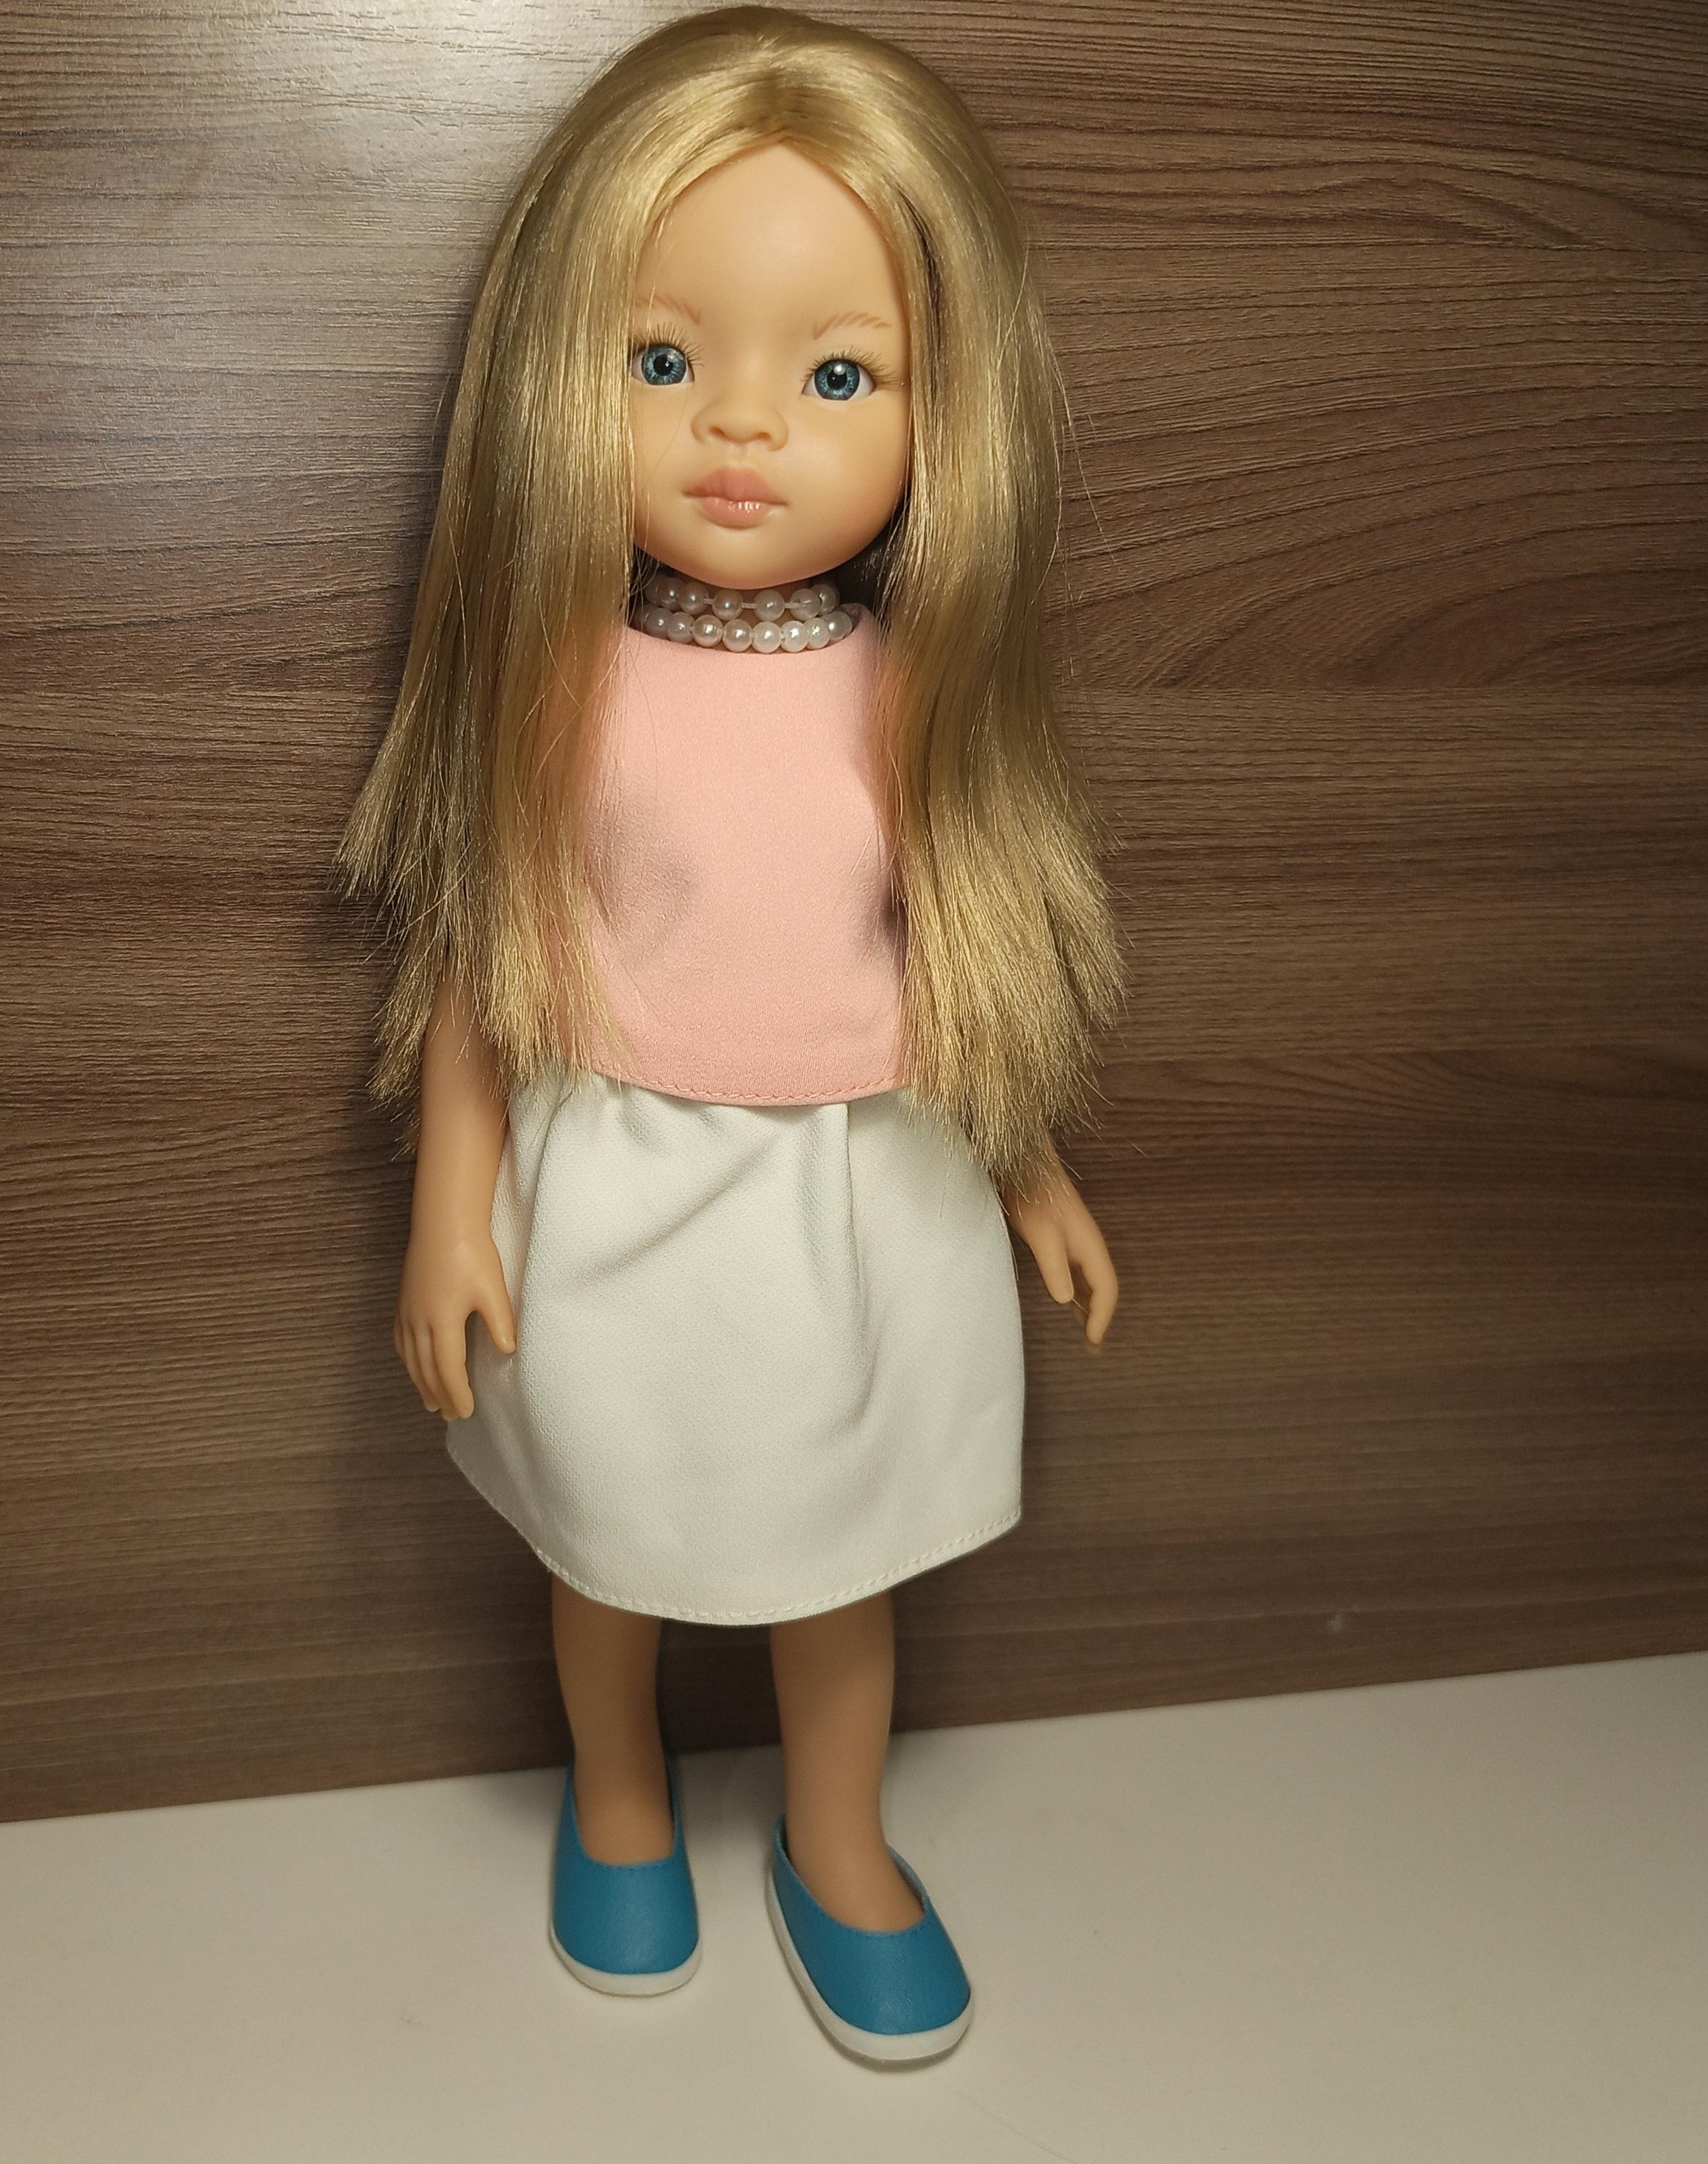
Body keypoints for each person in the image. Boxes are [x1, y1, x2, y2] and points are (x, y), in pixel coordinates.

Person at [336, 6, 1125, 2066]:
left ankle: (836, 1840)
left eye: (837, 374)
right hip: (625, 1186)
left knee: (842, 1568)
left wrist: (1030, 1167)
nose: (742, 426)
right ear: (562, 370)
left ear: (945, 407)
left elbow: (968, 955)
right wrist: (449, 1210)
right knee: (612, 1540)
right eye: (664, 359)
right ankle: (618, 1799)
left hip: (869, 1194)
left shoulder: (922, 694)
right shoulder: (561, 690)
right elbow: (485, 960)